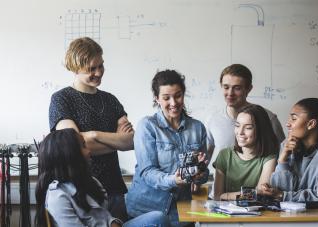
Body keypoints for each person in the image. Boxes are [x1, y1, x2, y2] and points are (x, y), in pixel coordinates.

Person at [49, 37, 133, 221]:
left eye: (101, 66)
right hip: (81, 192)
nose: (99, 72)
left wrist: (93, 136)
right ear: (75, 68)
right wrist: (115, 140)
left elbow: (130, 141)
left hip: (114, 189)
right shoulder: (62, 99)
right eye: (91, 69)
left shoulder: (110, 100)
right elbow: (73, 145)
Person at [35, 128, 170, 227]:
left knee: (158, 218)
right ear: (68, 155)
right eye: (82, 146)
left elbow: (104, 217)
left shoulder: (91, 182)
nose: (89, 151)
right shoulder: (57, 196)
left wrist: (113, 223)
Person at [125, 70, 209, 227]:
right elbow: (147, 172)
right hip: (146, 210)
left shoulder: (198, 128)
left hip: (181, 212)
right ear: (157, 99)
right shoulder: (147, 126)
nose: (173, 102)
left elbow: (203, 176)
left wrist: (200, 172)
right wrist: (174, 180)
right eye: (166, 98)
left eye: (178, 95)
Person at [205, 63, 285, 199]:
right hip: (221, 202)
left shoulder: (268, 119)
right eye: (226, 87)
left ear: (249, 89)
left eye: (237, 88)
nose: (230, 93)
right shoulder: (212, 120)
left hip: (258, 203)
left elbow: (282, 158)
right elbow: (204, 160)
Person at [258, 95, 318, 202]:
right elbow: (280, 191)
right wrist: (283, 160)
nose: (288, 124)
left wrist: (283, 195)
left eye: (294, 118)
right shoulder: (287, 146)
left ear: (311, 124)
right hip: (291, 215)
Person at [213, 104, 278, 201]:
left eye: (248, 128)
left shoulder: (269, 158)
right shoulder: (224, 155)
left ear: (261, 130)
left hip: (257, 214)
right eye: (237, 125)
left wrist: (227, 196)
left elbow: (261, 194)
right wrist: (253, 193)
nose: (240, 132)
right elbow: (217, 196)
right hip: (226, 214)